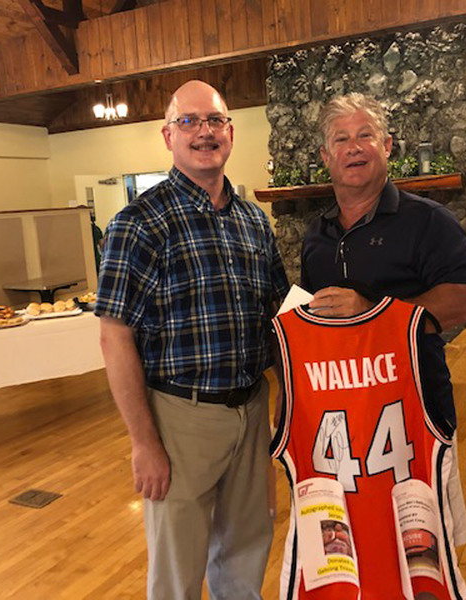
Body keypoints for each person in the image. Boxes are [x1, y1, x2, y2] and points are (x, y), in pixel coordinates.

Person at [96, 80, 289, 599]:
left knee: (247, 549)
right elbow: (115, 339)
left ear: (230, 131)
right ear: (168, 135)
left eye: (215, 121)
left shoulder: (253, 220)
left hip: (250, 409)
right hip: (180, 418)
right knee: (177, 572)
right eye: (189, 121)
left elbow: (278, 320)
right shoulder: (137, 224)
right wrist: (143, 443)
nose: (204, 132)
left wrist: (289, 402)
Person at [301, 92, 466, 431]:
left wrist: (374, 315)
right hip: (338, 417)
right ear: (326, 157)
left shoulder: (428, 220)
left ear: (386, 145)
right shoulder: (316, 234)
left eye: (365, 135)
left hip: (416, 417)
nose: (353, 147)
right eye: (341, 139)